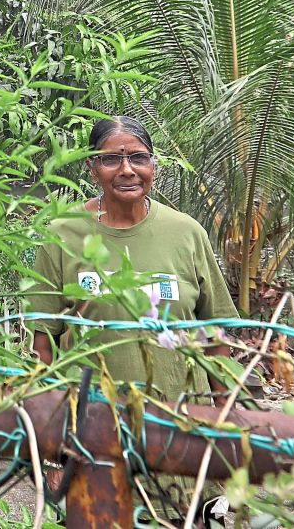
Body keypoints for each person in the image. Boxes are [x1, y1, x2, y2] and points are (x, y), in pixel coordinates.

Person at [28, 116, 238, 401]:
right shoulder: (62, 235)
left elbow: (215, 335)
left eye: (139, 158)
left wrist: (224, 412)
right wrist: (48, 411)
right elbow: (43, 341)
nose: (127, 170)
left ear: (153, 166)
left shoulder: (186, 233)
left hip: (181, 415)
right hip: (92, 415)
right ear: (92, 169)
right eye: (111, 159)